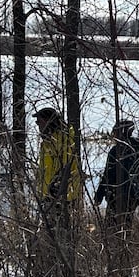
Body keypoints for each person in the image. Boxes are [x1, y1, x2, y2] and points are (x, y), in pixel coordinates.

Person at [94, 120, 139, 277]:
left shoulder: (128, 151)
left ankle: (121, 267)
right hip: (118, 198)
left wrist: (101, 195)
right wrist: (100, 195)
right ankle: (116, 266)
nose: (113, 135)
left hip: (123, 199)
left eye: (116, 132)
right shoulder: (130, 150)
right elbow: (108, 174)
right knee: (115, 232)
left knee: (119, 233)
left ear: (123, 132)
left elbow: (114, 175)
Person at [33, 107, 82, 257]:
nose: (38, 125)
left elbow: (67, 167)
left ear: (50, 122)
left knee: (60, 236)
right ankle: (52, 265)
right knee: (50, 236)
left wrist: (55, 191)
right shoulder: (48, 141)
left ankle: (63, 269)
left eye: (39, 122)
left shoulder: (62, 139)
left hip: (62, 197)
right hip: (48, 196)